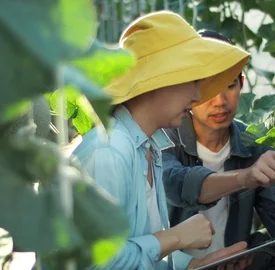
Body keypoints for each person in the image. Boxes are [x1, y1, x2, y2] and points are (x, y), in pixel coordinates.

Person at [72, 11, 253, 270]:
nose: (197, 96)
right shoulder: (109, 152)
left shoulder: (149, 149)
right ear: (159, 80)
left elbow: (136, 249)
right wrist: (175, 237)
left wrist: (194, 265)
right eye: (193, 81)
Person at [161, 30, 275, 270]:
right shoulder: (164, 139)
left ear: (242, 84)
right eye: (207, 88)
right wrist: (246, 177)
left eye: (229, 85)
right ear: (189, 91)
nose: (220, 101)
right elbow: (178, 185)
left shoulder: (253, 145)